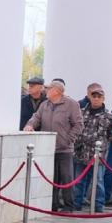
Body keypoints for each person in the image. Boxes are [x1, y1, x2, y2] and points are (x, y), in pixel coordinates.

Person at [24, 78, 84, 212]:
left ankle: (69, 206)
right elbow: (36, 117)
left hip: (64, 149)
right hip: (48, 149)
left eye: (48, 88)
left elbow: (78, 125)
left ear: (56, 91)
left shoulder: (71, 104)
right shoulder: (44, 105)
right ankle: (53, 205)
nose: (45, 90)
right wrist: (29, 125)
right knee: (51, 178)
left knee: (66, 178)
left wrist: (68, 139)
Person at [72, 83, 112, 212]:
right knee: (78, 180)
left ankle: (98, 205)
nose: (96, 99)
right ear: (89, 97)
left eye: (99, 97)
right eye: (93, 96)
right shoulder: (81, 112)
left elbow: (111, 134)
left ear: (103, 98)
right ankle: (76, 203)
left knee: (98, 181)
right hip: (81, 152)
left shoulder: (109, 116)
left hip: (98, 155)